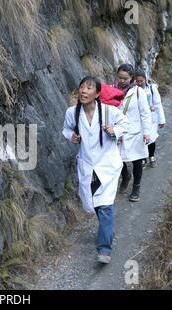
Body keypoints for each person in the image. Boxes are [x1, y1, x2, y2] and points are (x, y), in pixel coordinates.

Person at [63, 76, 130, 264]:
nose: (83, 91)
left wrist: (113, 131)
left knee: (106, 204)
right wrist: (72, 137)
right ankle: (107, 231)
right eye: (82, 87)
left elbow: (125, 124)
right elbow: (66, 129)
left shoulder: (109, 112)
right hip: (87, 165)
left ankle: (104, 249)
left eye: (89, 88)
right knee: (94, 203)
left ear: (98, 93)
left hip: (107, 165)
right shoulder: (72, 113)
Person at [114, 64, 152, 202]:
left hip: (135, 132)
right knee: (118, 159)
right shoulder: (112, 90)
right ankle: (125, 176)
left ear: (131, 78)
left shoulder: (138, 92)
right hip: (118, 132)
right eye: (120, 78)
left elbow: (145, 113)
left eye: (125, 78)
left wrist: (146, 132)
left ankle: (136, 187)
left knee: (137, 160)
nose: (122, 81)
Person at [135, 69, 166, 168]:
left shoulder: (152, 88)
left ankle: (151, 156)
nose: (139, 83)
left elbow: (158, 104)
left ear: (145, 79)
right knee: (141, 139)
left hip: (152, 119)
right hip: (139, 119)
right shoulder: (133, 90)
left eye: (141, 81)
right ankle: (143, 159)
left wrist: (162, 120)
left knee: (151, 138)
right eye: (137, 81)